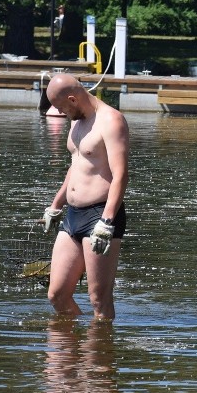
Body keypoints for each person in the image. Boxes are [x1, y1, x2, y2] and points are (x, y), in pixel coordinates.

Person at [42, 74, 130, 320]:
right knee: (57, 295)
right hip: (73, 215)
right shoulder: (76, 121)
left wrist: (107, 221)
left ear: (73, 99)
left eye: (62, 108)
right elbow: (77, 165)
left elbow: (121, 175)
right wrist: (56, 204)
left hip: (100, 216)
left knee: (99, 300)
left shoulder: (111, 121)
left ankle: (99, 356)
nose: (61, 113)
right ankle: (72, 353)